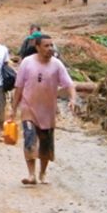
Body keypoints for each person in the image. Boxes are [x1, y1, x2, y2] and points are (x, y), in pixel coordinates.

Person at [10, 34, 76, 185]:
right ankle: (31, 175)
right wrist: (13, 108)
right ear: (37, 47)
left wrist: (72, 99)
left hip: (48, 110)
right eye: (46, 46)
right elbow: (19, 87)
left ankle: (43, 173)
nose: (50, 49)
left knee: (46, 145)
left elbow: (69, 84)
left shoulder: (57, 65)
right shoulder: (27, 62)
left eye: (51, 45)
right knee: (29, 140)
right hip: (28, 108)